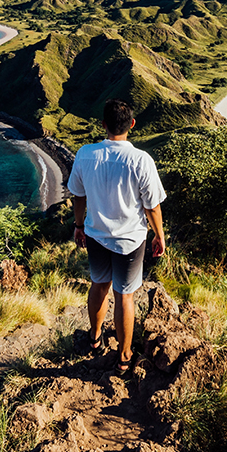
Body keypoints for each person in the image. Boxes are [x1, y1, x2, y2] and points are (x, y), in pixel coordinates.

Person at [69, 98, 166, 373]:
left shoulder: (85, 154)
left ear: (103, 125)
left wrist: (78, 226)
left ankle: (95, 338)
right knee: (125, 296)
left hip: (96, 234)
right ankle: (124, 357)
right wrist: (159, 235)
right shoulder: (141, 160)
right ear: (132, 125)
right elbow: (152, 205)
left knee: (99, 285)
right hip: (130, 239)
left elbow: (78, 195)